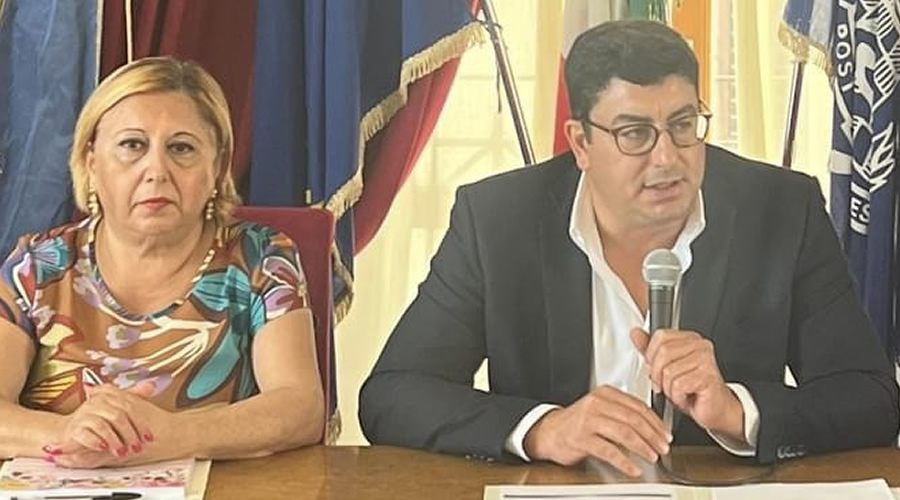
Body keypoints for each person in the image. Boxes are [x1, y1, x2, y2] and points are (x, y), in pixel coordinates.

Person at [359, 20, 899, 476]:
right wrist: (544, 429)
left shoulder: (782, 211)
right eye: (635, 133)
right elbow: (393, 394)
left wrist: (738, 410)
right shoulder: (498, 222)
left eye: (683, 125)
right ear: (580, 143)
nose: (667, 157)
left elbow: (872, 399)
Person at [0, 57, 325, 468]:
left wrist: (170, 435)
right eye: (132, 145)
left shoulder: (261, 258)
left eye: (181, 148)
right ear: (91, 162)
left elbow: (300, 408)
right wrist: (69, 434)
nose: (156, 170)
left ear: (217, 168)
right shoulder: (37, 266)